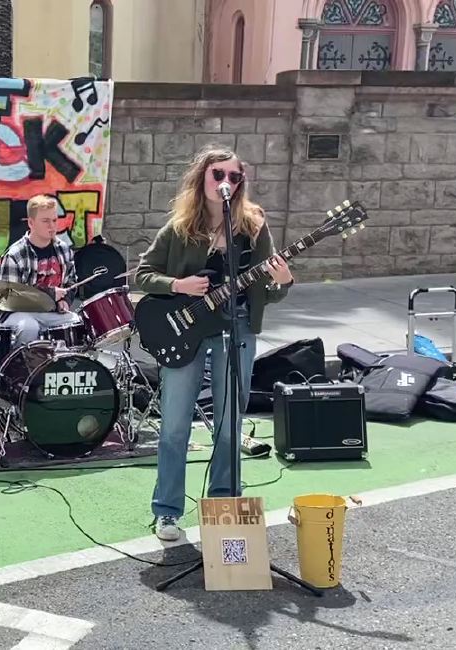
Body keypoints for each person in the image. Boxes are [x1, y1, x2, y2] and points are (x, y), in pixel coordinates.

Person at [134, 146, 294, 542]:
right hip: (185, 331)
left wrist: (284, 282)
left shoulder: (253, 226)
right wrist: (178, 285)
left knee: (228, 426)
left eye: (234, 177)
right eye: (218, 174)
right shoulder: (179, 227)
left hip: (237, 329)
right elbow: (142, 274)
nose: (226, 182)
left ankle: (224, 507)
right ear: (202, 177)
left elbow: (266, 291)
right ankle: (167, 511)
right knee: (174, 426)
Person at [0, 194, 81, 345]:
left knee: (76, 322)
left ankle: (65, 359)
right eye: (45, 221)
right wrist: (50, 294)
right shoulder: (15, 255)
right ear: (31, 223)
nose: (52, 226)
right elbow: (11, 297)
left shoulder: (64, 250)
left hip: (51, 312)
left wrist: (65, 300)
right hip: (19, 313)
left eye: (54, 220)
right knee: (29, 327)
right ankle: (22, 361)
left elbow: (71, 282)